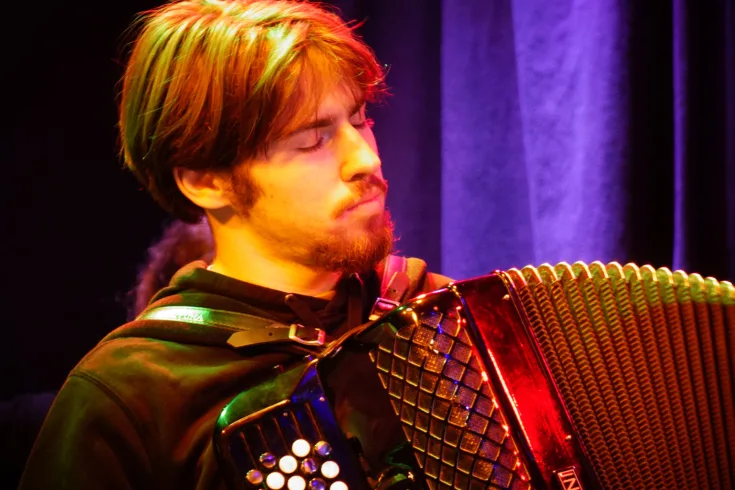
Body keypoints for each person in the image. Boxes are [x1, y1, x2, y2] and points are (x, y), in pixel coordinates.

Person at [18, 1, 451, 489]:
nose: (365, 160)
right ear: (205, 181)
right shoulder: (131, 398)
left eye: (360, 119)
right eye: (312, 140)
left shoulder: (438, 316)